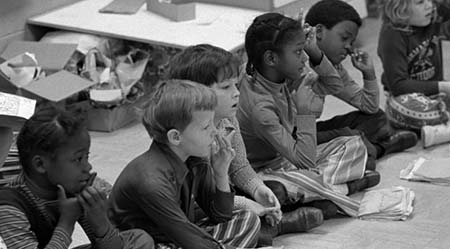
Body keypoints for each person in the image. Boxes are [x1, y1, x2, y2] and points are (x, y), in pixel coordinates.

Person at [166, 43, 324, 239]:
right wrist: (245, 203)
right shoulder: (190, 135)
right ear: (195, 93)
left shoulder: (228, 119)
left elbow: (239, 166)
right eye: (226, 87)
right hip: (196, 208)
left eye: (236, 84)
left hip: (225, 193)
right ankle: (275, 226)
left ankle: (269, 221)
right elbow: (198, 201)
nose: (236, 92)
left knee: (272, 191)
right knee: (238, 220)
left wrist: (258, 189)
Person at [237, 12, 379, 219]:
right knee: (281, 187)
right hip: (262, 170)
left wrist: (315, 53)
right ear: (271, 58)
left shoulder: (276, 72)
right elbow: (305, 161)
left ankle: (322, 194)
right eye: (297, 52)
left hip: (288, 158)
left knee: (354, 145)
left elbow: (335, 84)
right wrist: (305, 112)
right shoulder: (261, 107)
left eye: (304, 50)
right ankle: (342, 189)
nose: (304, 58)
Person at [108, 80, 264, 249]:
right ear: (175, 137)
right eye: (206, 127)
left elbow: (220, 215)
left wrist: (220, 173)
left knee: (247, 219)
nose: (215, 131)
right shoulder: (151, 181)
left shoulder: (195, 159)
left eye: (213, 123)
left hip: (177, 237)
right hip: (152, 244)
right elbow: (188, 238)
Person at [0, 106, 154, 249]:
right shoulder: (10, 206)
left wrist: (100, 221)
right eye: (78, 159)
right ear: (40, 164)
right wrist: (67, 222)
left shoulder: (70, 188)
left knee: (139, 238)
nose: (88, 167)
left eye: (87, 157)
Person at [304, 0, 418, 164]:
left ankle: (362, 151)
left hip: (310, 132)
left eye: (352, 42)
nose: (349, 48)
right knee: (351, 137)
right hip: (288, 138)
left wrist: (368, 74)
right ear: (319, 32)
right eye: (344, 38)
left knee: (377, 118)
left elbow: (369, 107)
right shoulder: (296, 60)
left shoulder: (334, 68)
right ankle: (377, 149)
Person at [378, 0, 450, 132]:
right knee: (403, 111)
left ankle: (440, 128)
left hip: (437, 93)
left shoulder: (432, 15)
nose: (429, 5)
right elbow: (399, 86)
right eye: (420, 2)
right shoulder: (391, 35)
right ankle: (442, 125)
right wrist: (443, 86)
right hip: (407, 98)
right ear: (399, 8)